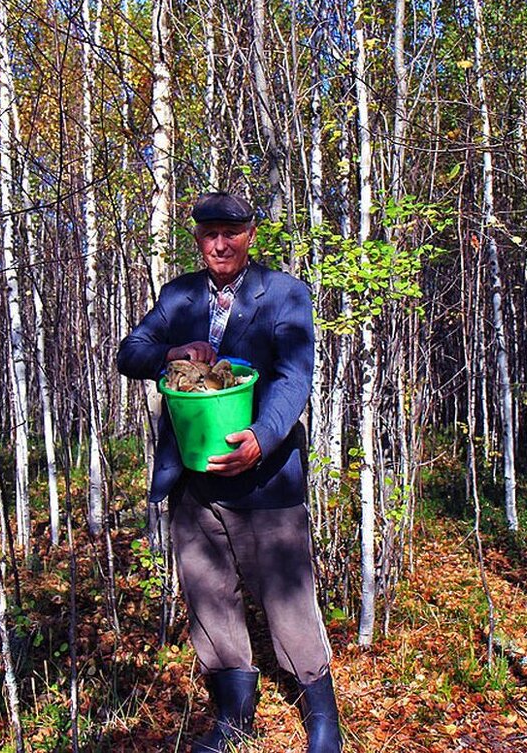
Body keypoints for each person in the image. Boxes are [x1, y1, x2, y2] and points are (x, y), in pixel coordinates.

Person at [117, 192, 343, 753]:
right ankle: (234, 714)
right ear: (197, 238)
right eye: (209, 233)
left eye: (231, 233)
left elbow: (294, 379)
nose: (219, 244)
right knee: (209, 597)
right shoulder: (180, 296)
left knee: (288, 601)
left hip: (267, 481)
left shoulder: (286, 294)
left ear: (250, 236)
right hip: (194, 479)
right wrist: (171, 351)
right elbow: (130, 352)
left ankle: (322, 714)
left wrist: (261, 441)